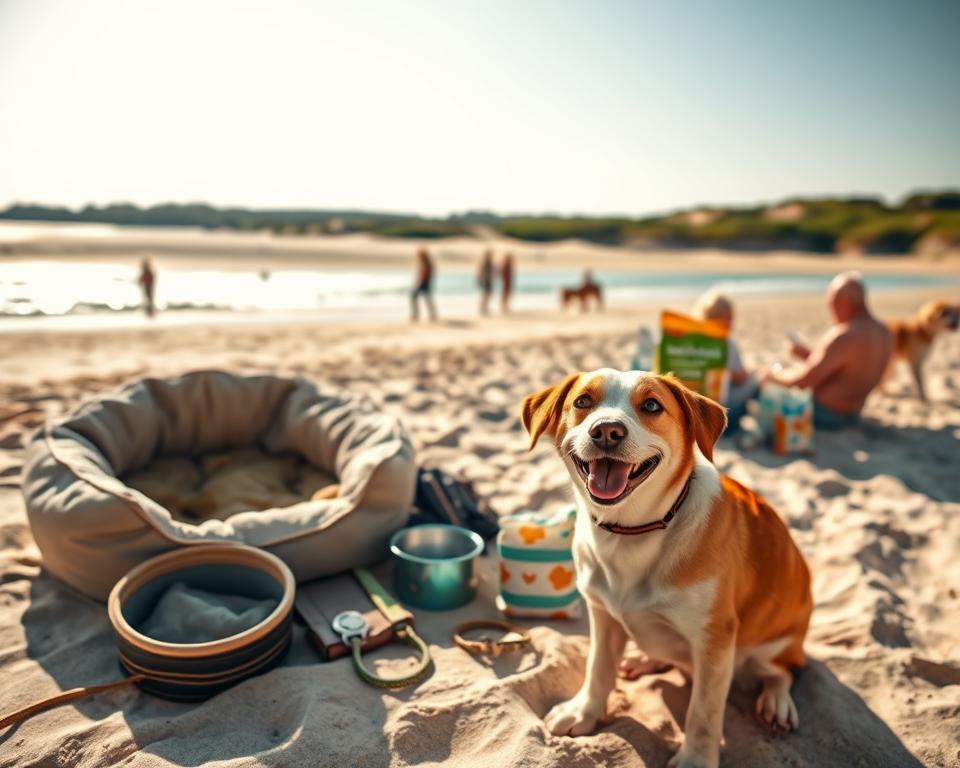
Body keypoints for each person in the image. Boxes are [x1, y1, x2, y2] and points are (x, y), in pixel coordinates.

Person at [763, 271, 892, 429]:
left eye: (831, 302)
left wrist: (772, 376)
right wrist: (808, 355)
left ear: (845, 302)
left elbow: (802, 381)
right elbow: (845, 373)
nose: (830, 310)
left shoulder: (845, 335)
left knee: (760, 388)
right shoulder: (884, 332)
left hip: (825, 415)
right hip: (854, 414)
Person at [692, 289, 757, 430]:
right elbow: (739, 378)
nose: (731, 322)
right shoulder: (726, 344)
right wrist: (748, 374)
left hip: (692, 409)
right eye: (729, 317)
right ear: (719, 317)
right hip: (720, 409)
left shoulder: (689, 339)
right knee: (756, 379)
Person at [410, 247, 437, 322]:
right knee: (427, 299)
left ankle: (416, 315)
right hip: (425, 283)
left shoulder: (427, 263)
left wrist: (420, 282)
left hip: (424, 283)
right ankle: (431, 315)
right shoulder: (426, 263)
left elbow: (425, 274)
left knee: (416, 297)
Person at [477, 249, 494, 316]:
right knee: (485, 294)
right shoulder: (484, 263)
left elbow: (492, 271)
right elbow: (480, 272)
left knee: (488, 294)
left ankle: (485, 307)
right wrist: (480, 279)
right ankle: (482, 307)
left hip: (489, 280)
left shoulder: (490, 263)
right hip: (485, 280)